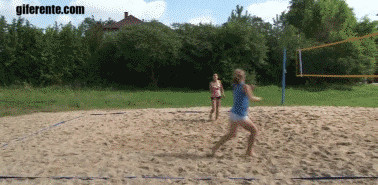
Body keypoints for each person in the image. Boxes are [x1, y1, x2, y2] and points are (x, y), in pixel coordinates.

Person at [210, 69, 262, 157]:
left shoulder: (235, 85)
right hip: (240, 115)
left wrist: (249, 88)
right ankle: (249, 152)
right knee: (254, 131)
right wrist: (260, 99)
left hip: (233, 113)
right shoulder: (245, 86)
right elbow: (251, 98)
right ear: (243, 77)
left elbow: (243, 91)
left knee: (231, 134)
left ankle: (215, 148)